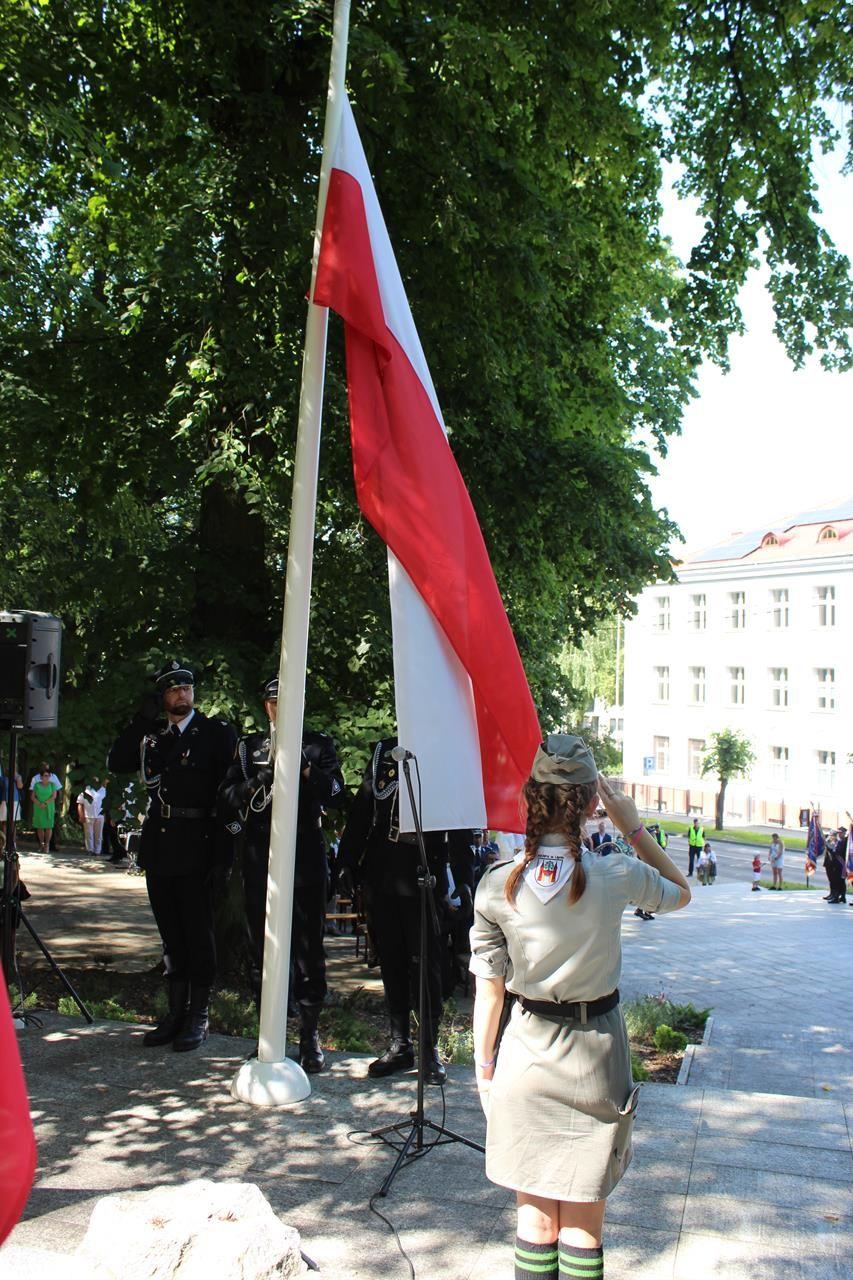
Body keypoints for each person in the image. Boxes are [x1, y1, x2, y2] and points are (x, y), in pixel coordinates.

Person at [470, 735, 690, 1280]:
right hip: (595, 1057)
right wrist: (632, 826)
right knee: (582, 1229)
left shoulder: (499, 884)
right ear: (594, 802)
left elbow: (490, 990)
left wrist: (484, 1068)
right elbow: (681, 892)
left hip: (525, 1053)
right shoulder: (615, 874)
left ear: (532, 799)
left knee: (535, 1225)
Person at [108, 660, 237, 1051]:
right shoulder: (152, 737)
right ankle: (175, 1013)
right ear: (162, 697)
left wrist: (224, 855)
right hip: (161, 846)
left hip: (198, 845)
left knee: (199, 934)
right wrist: (140, 722)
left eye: (187, 686)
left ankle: (198, 1015)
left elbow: (229, 798)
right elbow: (117, 763)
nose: (182, 693)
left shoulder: (216, 733)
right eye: (173, 688)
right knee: (170, 936)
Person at [217, 677, 344, 1073]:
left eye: (289, 701)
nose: (281, 708)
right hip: (260, 858)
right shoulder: (249, 747)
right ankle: (269, 1036)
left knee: (308, 951)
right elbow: (226, 797)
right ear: (267, 706)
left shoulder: (318, 745)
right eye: (275, 701)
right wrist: (260, 778)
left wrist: (306, 769)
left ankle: (309, 1036)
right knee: (264, 951)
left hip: (305, 858)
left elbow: (337, 793)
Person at [336, 736, 451, 1086]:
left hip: (423, 872)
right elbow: (363, 811)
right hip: (383, 873)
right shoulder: (383, 751)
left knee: (427, 963)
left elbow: (459, 822)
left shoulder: (443, 750)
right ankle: (400, 1043)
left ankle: (429, 1048)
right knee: (392, 960)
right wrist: (346, 862)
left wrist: (461, 876)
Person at [76, 777, 106, 855]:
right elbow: (80, 803)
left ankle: (97, 851)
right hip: (88, 815)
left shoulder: (103, 790)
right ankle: (90, 850)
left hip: (100, 815)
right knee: (88, 834)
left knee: (99, 834)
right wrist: (81, 815)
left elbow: (106, 804)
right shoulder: (85, 790)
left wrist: (105, 815)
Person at [31, 769, 56, 853]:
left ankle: (47, 844)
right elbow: (32, 797)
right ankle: (41, 844)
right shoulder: (36, 785)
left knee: (49, 826)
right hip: (39, 808)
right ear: (41, 777)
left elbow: (54, 796)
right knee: (40, 826)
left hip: (49, 807)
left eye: (48, 776)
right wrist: (39, 803)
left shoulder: (52, 785)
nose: (47, 777)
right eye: (45, 775)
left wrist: (45, 803)